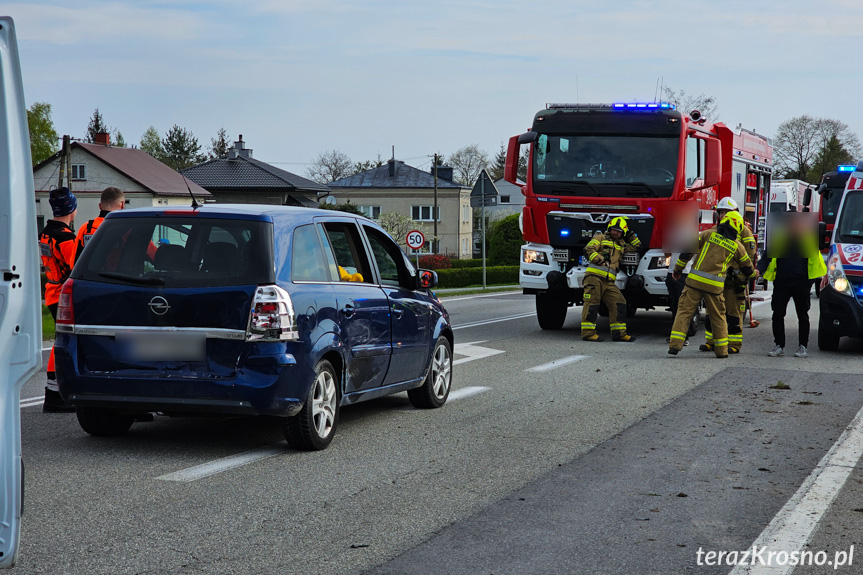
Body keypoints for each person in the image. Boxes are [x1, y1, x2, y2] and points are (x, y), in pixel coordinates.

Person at [668, 212, 755, 358]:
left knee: (684, 312)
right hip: (715, 287)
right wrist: (754, 275)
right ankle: (721, 351)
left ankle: (675, 346)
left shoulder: (707, 234)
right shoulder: (737, 246)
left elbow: (687, 252)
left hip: (694, 283)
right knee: (718, 317)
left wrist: (678, 270)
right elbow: (748, 268)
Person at [756, 214, 826, 358]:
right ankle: (779, 345)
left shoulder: (808, 242)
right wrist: (758, 270)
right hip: (782, 283)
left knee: (803, 316)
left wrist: (808, 284)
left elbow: (816, 265)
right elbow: (766, 257)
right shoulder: (779, 240)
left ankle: (802, 347)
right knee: (777, 314)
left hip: (801, 284)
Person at [700, 199, 757, 354]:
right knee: (712, 311)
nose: (724, 214)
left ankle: (734, 344)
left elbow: (750, 255)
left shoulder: (743, 230)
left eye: (726, 212)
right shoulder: (715, 229)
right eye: (721, 212)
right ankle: (711, 341)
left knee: (733, 313)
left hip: (734, 280)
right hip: (717, 278)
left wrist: (744, 277)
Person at [39, 187, 78, 412]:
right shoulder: (65, 238)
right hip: (63, 295)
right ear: (71, 208)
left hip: (51, 290)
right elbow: (76, 268)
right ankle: (53, 395)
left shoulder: (45, 232)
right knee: (61, 343)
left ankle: (53, 393)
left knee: (59, 342)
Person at [581, 217, 640, 342]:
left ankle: (619, 334)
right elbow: (589, 249)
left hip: (608, 281)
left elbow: (637, 246)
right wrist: (599, 260)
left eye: (619, 231)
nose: (615, 233)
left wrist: (630, 235)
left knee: (619, 303)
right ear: (609, 229)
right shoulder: (600, 238)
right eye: (613, 230)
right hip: (594, 277)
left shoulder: (622, 245)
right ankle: (588, 333)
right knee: (592, 304)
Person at [72, 186, 125, 262]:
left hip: (89, 273)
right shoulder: (125, 228)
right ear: (122, 205)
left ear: (100, 206)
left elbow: (74, 261)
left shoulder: (86, 228)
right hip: (118, 273)